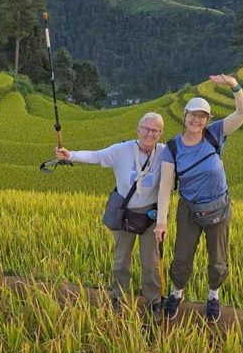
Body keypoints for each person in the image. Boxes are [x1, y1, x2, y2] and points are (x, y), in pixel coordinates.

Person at [154, 74, 243, 322]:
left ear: (208, 119)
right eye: (193, 115)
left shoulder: (215, 133)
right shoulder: (173, 148)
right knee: (182, 257)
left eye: (202, 116)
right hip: (189, 208)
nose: (197, 120)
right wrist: (161, 221)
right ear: (185, 115)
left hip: (219, 206)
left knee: (218, 259)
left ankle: (213, 296)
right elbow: (165, 187)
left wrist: (234, 85)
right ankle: (177, 293)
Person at [56, 112, 166, 313]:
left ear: (160, 134)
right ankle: (119, 297)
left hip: (150, 214)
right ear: (138, 130)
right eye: (146, 129)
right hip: (125, 212)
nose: (150, 134)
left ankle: (153, 301)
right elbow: (96, 156)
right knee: (121, 259)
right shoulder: (122, 150)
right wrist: (71, 155)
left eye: (155, 130)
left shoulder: (164, 152)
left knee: (151, 261)